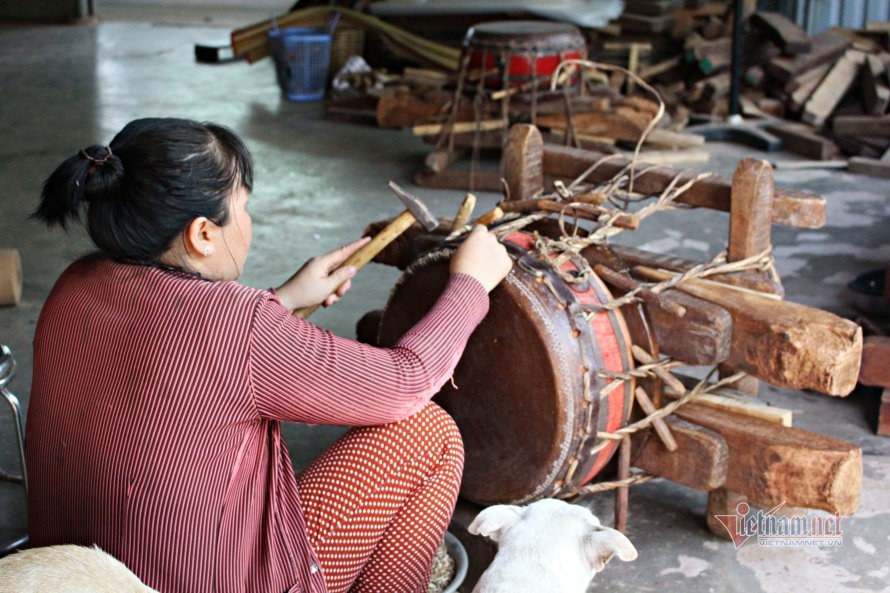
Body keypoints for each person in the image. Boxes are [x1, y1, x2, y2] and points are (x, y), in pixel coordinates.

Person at [25, 117, 512, 593]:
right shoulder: (236, 321)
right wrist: (470, 284)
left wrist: (284, 299)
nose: (249, 223)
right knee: (429, 433)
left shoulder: (75, 284)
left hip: (78, 576)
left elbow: (180, 358)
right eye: (243, 208)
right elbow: (406, 380)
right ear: (202, 235)